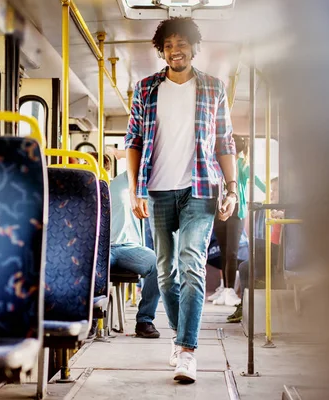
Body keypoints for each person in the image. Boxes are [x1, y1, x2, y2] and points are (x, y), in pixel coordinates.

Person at [124, 16, 237, 383]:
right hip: (156, 191)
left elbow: (225, 143)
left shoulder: (213, 88)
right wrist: (135, 190)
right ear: (162, 50)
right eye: (169, 45)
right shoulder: (145, 89)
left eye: (182, 43)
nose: (176, 50)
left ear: (194, 47)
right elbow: (134, 143)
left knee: (191, 264)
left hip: (200, 190)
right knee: (165, 274)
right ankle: (179, 336)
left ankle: (187, 351)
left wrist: (232, 188)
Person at [89, 152, 161, 338]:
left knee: (158, 264)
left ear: (107, 168)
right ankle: (90, 321)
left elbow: (137, 164)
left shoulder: (120, 183)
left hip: (125, 247)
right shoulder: (82, 190)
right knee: (89, 267)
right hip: (95, 247)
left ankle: (145, 320)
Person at [209, 136, 267, 307]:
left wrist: (266, 200)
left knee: (232, 252)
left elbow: (260, 185)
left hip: (237, 211)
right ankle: (226, 288)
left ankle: (229, 289)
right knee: (224, 252)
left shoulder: (242, 165)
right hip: (220, 211)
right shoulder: (223, 165)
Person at [227, 177, 282, 323]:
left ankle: (254, 295)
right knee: (245, 266)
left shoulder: (286, 212)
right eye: (272, 190)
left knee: (256, 249)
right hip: (273, 251)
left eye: (276, 190)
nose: (272, 193)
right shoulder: (272, 210)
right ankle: (245, 305)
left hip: (281, 255)